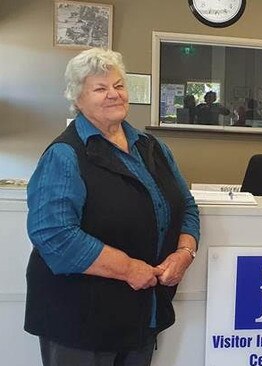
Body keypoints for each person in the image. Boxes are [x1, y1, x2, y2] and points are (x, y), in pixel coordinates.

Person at [25, 48, 200, 366]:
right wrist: (129, 268)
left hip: (140, 316)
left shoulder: (153, 147)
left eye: (118, 85)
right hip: (79, 321)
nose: (113, 95)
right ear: (78, 99)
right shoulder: (65, 155)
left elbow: (186, 206)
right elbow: (54, 235)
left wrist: (185, 253)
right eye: (100, 88)